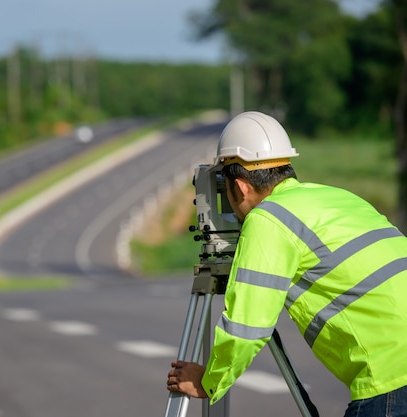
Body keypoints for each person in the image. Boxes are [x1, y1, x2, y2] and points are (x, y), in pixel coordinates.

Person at [166, 111, 407, 416]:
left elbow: (247, 327)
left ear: (239, 187)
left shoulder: (268, 220)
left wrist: (210, 381)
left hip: (392, 381)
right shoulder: (336, 196)